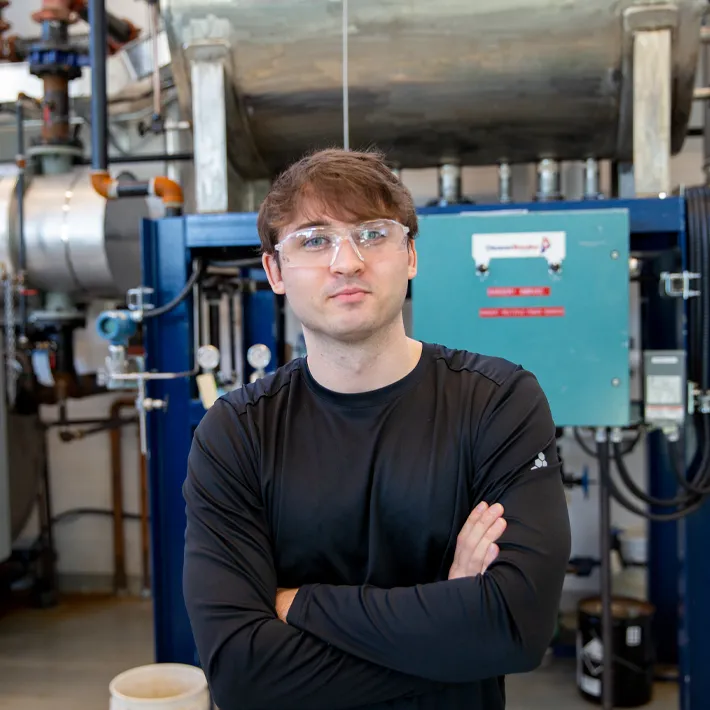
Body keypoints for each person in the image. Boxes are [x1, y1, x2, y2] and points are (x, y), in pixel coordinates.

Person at [182, 148, 571, 710]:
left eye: (372, 234)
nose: (346, 261)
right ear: (274, 272)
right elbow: (242, 673)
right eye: (314, 239)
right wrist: (454, 626)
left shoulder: (498, 403)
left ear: (410, 255)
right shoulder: (236, 433)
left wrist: (298, 605)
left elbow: (515, 628)